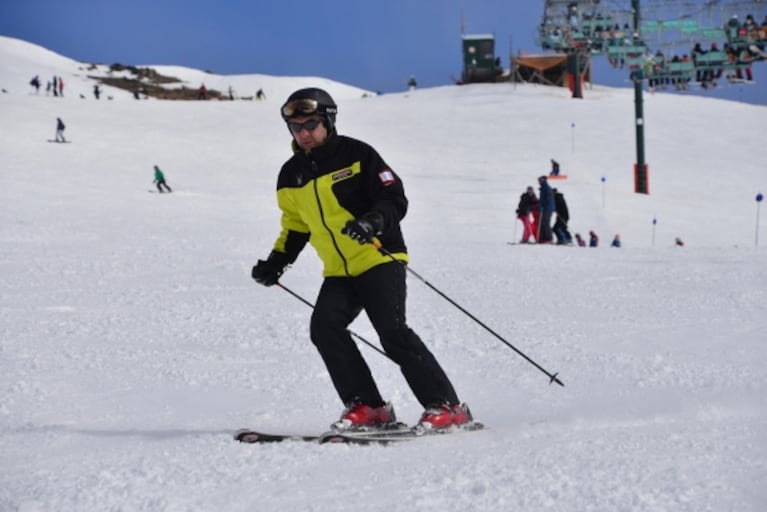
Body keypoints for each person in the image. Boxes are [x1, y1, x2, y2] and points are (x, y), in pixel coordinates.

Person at [251, 87, 473, 432]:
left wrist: (372, 222)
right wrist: (276, 262)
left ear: (328, 120)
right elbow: (295, 225)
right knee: (324, 328)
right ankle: (368, 406)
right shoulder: (290, 174)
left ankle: (447, 406)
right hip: (339, 271)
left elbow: (394, 198)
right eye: (296, 128)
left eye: (311, 124)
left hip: (377, 258)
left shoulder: (358, 155)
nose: (304, 133)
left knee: (391, 330)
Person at [537, 176, 555, 244]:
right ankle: (543, 238)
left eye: (540, 180)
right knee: (542, 223)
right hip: (545, 208)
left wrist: (543, 205)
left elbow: (549, 199)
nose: (539, 182)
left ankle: (549, 238)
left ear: (543, 180)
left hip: (548, 208)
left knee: (546, 222)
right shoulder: (543, 188)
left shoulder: (547, 188)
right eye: (538, 181)